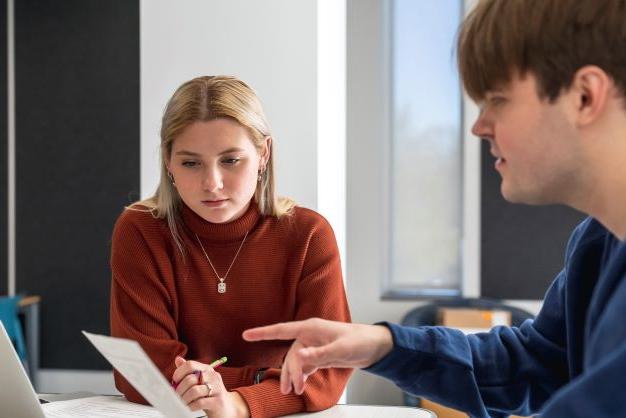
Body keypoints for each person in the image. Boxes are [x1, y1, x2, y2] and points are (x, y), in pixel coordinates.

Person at [243, 0, 626, 416]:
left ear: (585, 96)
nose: (479, 126)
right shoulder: (600, 241)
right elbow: (539, 363)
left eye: (497, 99)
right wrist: (382, 346)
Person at [110, 75, 351, 418]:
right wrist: (258, 381)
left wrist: (236, 403)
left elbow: (328, 372)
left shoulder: (309, 234)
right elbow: (140, 375)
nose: (212, 183)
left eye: (230, 160)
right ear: (168, 160)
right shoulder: (140, 230)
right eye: (191, 163)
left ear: (263, 153)